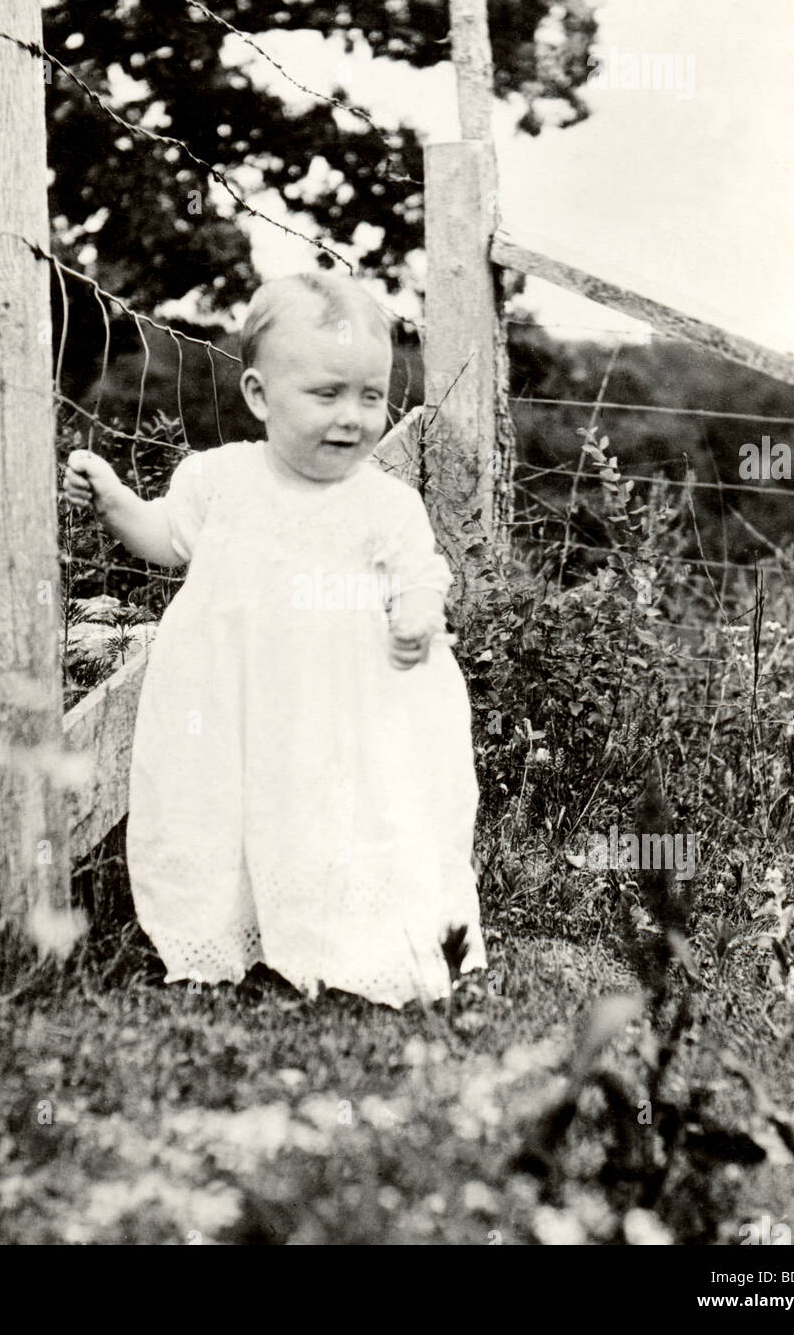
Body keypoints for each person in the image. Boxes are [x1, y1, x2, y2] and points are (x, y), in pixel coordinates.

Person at [63, 272, 486, 1006]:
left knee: (348, 816)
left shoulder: (384, 502)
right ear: (259, 396)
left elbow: (422, 573)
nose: (352, 418)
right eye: (326, 395)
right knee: (227, 811)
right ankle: (228, 929)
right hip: (240, 703)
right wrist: (114, 500)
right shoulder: (219, 481)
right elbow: (164, 539)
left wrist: (416, 614)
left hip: (346, 710)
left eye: (370, 395)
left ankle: (349, 937)